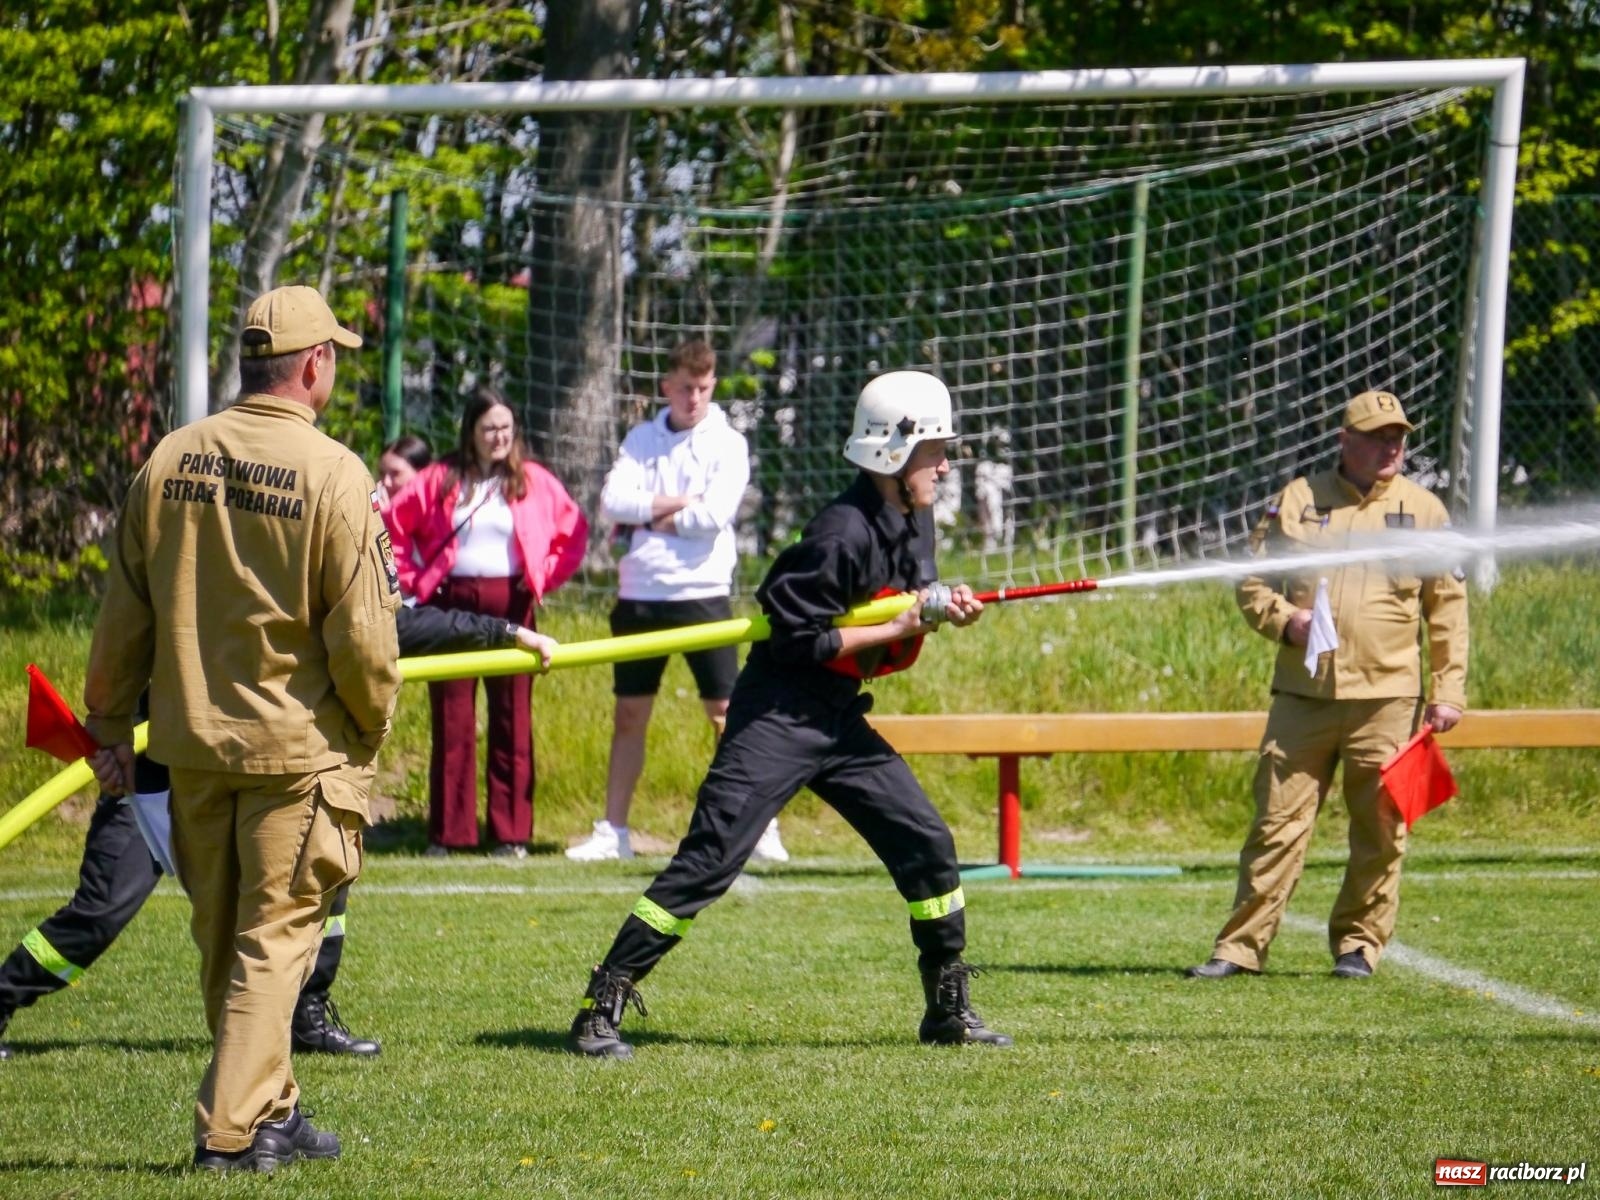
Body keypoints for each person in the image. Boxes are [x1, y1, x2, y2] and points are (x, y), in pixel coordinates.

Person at [564, 371, 1012, 1058]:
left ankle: (947, 1007)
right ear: (893, 451)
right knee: (710, 861)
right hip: (779, 713)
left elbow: (911, 596)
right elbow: (804, 637)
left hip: (838, 716)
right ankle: (602, 1005)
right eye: (936, 451)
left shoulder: (913, 515)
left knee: (927, 844)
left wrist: (940, 605)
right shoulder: (838, 533)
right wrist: (903, 624)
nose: (947, 464)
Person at [82, 283, 403, 1174]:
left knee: (227, 941)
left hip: (190, 747)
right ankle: (231, 1132)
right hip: (295, 753)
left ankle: (275, 1109)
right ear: (314, 366)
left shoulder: (168, 460)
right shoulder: (336, 473)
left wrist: (108, 724)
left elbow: (124, 618)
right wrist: (373, 724)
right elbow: (364, 638)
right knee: (275, 940)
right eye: (332, 353)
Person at [0, 608, 557, 1064]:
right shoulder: (192, 569)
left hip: (246, 778)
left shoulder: (309, 581)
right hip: (156, 778)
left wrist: (505, 632)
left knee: (327, 870)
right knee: (100, 913)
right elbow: (125, 645)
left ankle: (306, 1016)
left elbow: (392, 626)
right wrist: (110, 734)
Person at [1186, 389, 1468, 982]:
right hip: (1302, 697)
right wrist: (1286, 621)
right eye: (1378, 435)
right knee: (1275, 826)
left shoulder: (1425, 510)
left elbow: (1447, 607)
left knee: (1381, 829)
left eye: (1399, 436)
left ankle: (1358, 948)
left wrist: (1448, 690)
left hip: (1389, 699)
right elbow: (1252, 583)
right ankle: (1239, 949)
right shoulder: (1298, 500)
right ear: (1346, 440)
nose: (1392, 445)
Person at [568, 339, 786, 864]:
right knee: (628, 715)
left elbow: (714, 517)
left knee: (727, 713)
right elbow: (613, 502)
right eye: (686, 387)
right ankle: (613, 830)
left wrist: (652, 515)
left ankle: (761, 825)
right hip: (639, 595)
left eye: (704, 388)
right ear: (667, 386)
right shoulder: (642, 437)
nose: (695, 398)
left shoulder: (728, 443)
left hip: (702, 593)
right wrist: (677, 505)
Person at [384, 388, 587, 858]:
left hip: (515, 605)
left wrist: (543, 576)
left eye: (505, 428)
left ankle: (511, 834)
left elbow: (573, 531)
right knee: (453, 719)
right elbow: (392, 525)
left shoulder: (533, 480)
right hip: (451, 606)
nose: (498, 437)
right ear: (471, 431)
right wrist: (412, 578)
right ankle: (449, 835)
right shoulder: (439, 478)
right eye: (489, 428)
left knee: (513, 718)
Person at [376, 434, 432, 508]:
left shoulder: (434, 513)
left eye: (396, 473)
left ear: (420, 473)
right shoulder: (374, 500)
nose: (386, 482)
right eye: (382, 473)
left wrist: (387, 516)